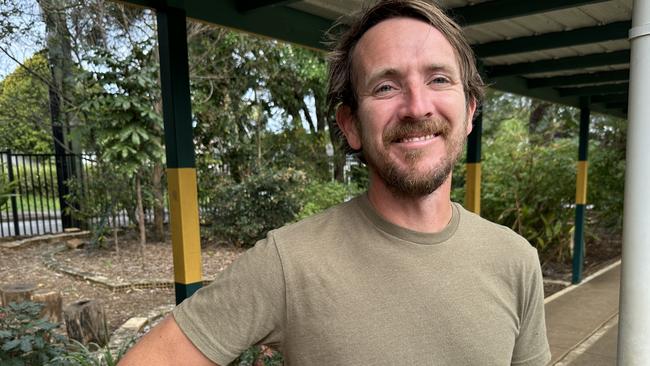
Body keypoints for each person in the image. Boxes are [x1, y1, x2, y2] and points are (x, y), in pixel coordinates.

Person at [119, 0, 551, 365]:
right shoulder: (288, 263)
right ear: (351, 125)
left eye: (439, 79)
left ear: (471, 109)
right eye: (385, 86)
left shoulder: (515, 261)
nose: (417, 106)